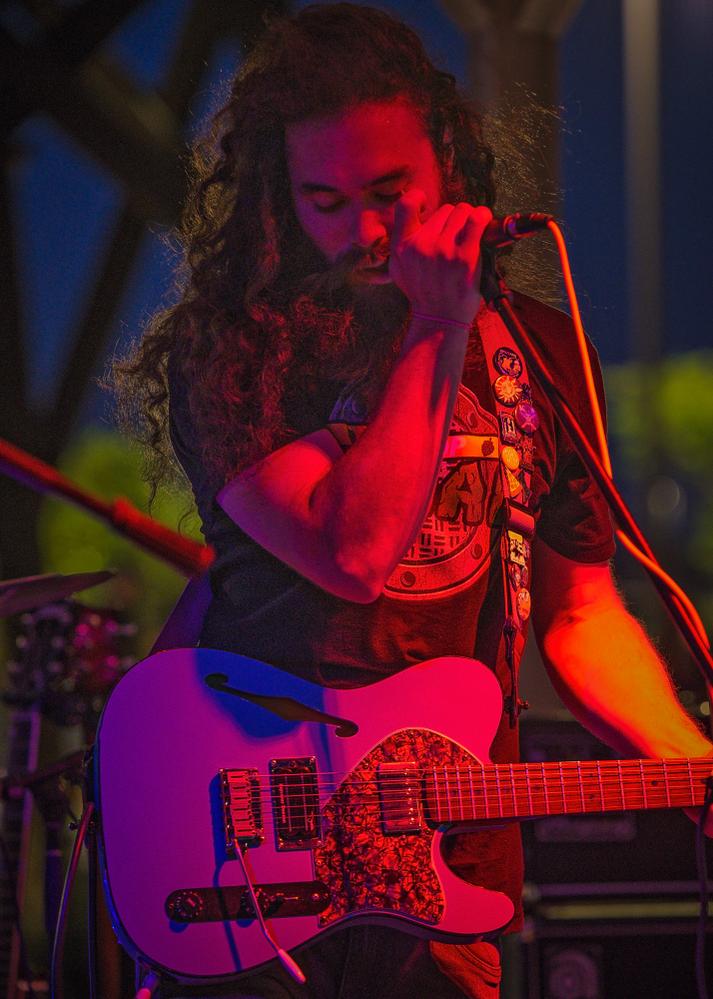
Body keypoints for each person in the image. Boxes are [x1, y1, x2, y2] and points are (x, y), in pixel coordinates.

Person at [114, 5, 713, 996]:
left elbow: (578, 613)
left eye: (390, 193)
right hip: (257, 851)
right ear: (277, 197)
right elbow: (353, 553)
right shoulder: (236, 351)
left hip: (446, 870)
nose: (365, 230)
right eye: (324, 200)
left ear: (447, 161)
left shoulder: (539, 352)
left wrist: (689, 763)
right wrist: (439, 326)